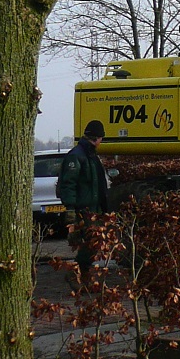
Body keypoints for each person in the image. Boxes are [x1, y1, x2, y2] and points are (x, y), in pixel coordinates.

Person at [57, 119, 110, 278]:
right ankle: (77, 274)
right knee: (89, 244)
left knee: (92, 244)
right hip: (83, 209)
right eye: (101, 138)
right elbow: (68, 183)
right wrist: (71, 209)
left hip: (93, 209)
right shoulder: (77, 156)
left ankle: (83, 276)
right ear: (97, 138)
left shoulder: (90, 155)